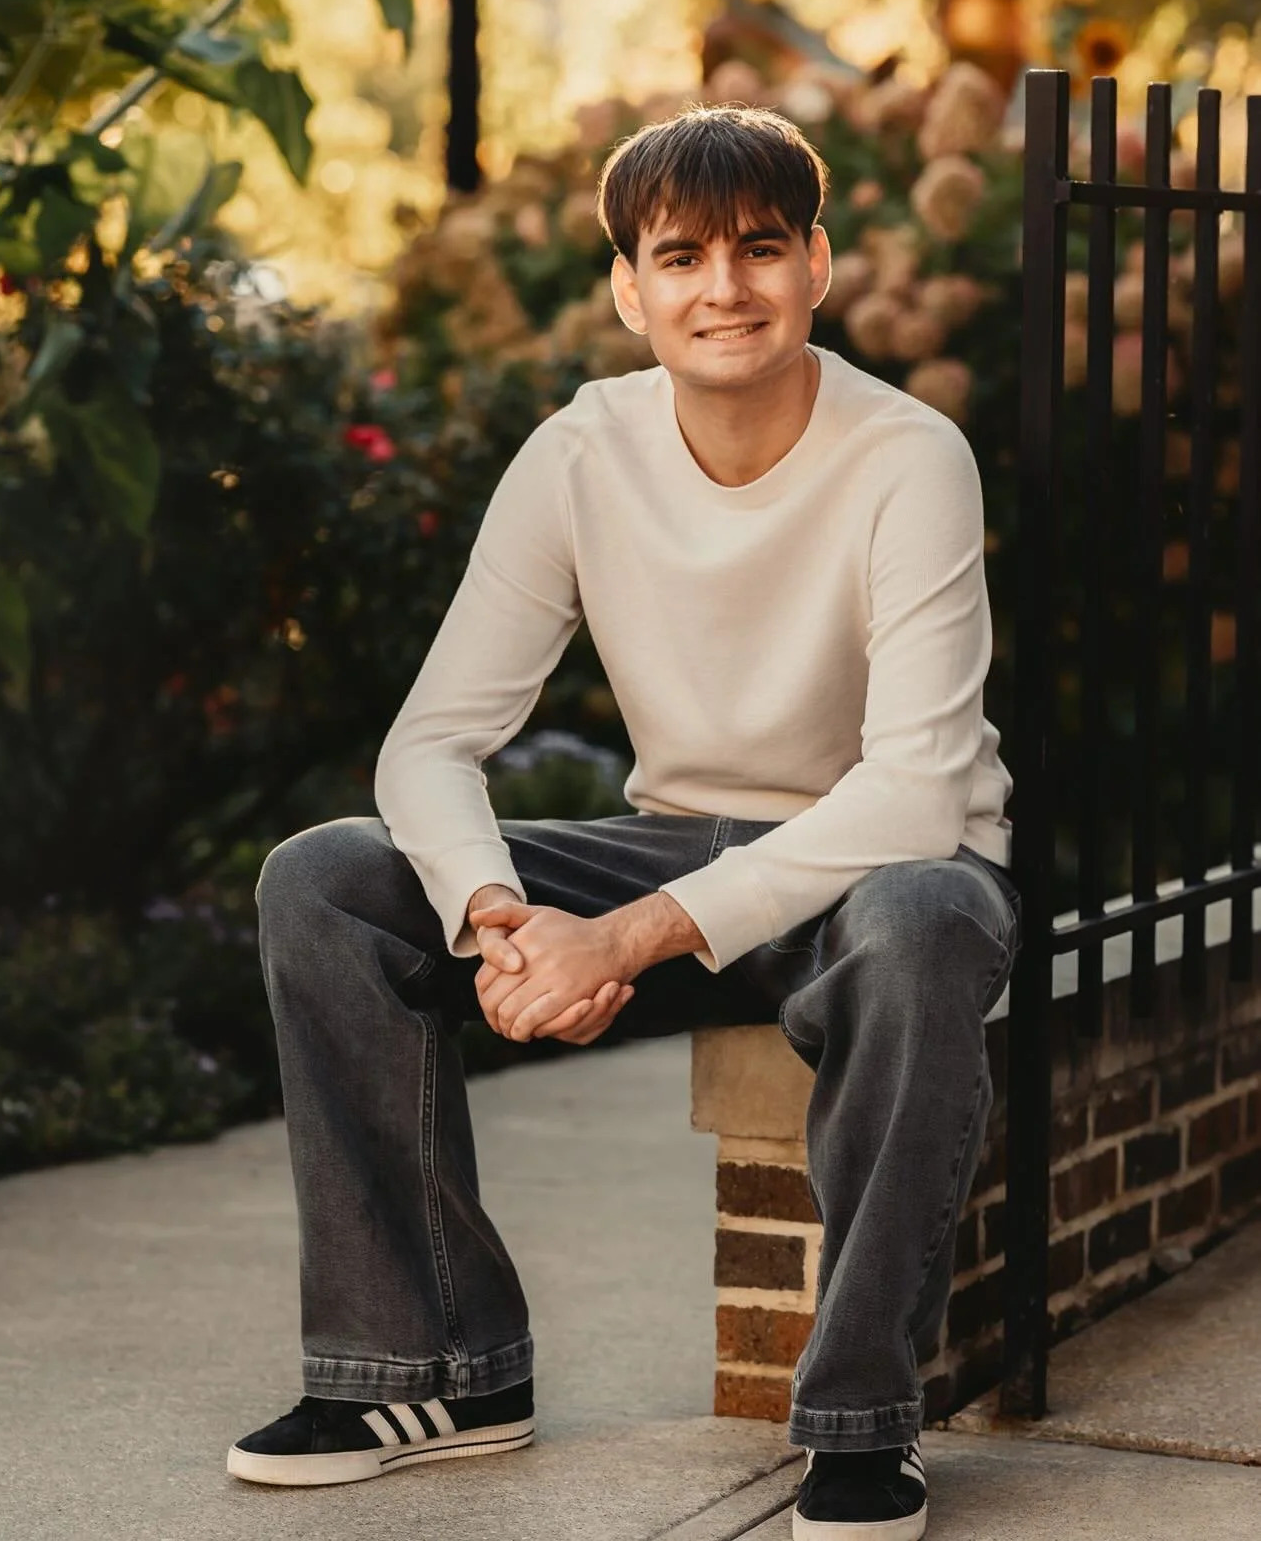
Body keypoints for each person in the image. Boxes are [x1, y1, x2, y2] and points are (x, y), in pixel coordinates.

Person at [228, 104, 1019, 1541]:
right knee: (327, 881)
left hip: (876, 876)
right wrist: (497, 917)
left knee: (921, 918)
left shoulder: (908, 455)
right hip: (677, 849)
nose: (724, 288)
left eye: (760, 249)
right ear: (628, 289)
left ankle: (856, 1423)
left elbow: (911, 789)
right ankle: (432, 1373)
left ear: (817, 268)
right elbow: (432, 743)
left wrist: (624, 942)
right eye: (682, 256)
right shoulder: (581, 453)